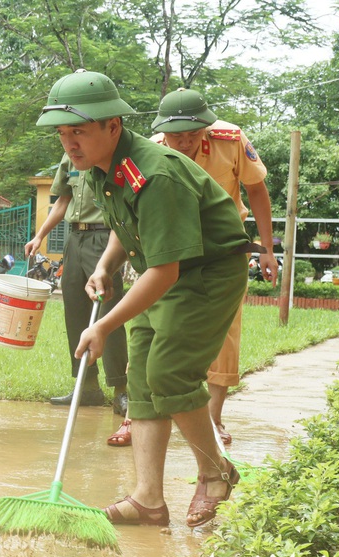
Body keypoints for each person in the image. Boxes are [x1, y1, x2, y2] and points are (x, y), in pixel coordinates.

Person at [37, 69, 252, 527]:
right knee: (142, 378)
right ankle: (147, 499)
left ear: (112, 125)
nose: (69, 143)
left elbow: (166, 271)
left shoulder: (155, 173)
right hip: (166, 266)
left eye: (79, 131)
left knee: (170, 373)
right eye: (62, 133)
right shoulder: (99, 168)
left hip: (208, 271)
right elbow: (126, 223)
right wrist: (104, 266)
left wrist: (104, 324)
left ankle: (216, 474)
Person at [139, 87, 277, 448]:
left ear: (206, 127)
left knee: (226, 333)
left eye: (192, 135)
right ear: (162, 132)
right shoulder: (150, 149)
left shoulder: (230, 140)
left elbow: (257, 190)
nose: (183, 143)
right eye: (176, 136)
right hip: (172, 249)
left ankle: (214, 418)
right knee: (154, 325)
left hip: (223, 249)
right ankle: (144, 412)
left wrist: (266, 248)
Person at [25, 153, 128, 417]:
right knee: (76, 313)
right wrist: (40, 236)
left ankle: (121, 390)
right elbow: (63, 200)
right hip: (74, 238)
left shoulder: (112, 154)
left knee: (109, 314)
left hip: (104, 237)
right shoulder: (68, 158)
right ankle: (88, 388)